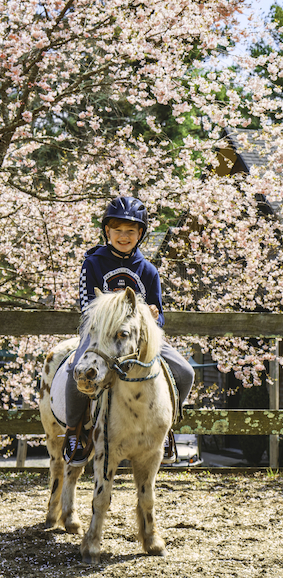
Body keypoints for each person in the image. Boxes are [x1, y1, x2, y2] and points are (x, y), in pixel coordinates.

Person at [63, 196, 195, 466]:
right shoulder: (93, 264)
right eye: (118, 230)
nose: (124, 236)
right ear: (107, 232)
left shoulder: (148, 270)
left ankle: (166, 428)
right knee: (75, 370)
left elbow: (158, 314)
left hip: (139, 339)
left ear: (140, 234)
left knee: (185, 372)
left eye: (130, 231)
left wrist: (155, 316)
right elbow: (87, 308)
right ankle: (74, 431)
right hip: (99, 335)